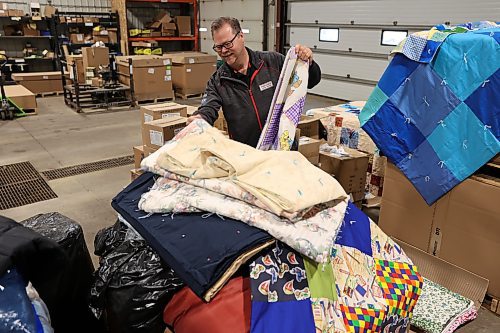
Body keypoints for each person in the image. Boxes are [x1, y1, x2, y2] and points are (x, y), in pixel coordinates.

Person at [188, 17, 321, 147]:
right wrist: (199, 119)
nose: (223, 51)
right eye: (218, 47)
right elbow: (208, 108)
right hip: (248, 156)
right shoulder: (218, 81)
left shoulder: (273, 62)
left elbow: (312, 81)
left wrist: (308, 63)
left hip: (283, 150)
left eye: (228, 44)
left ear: (241, 36)